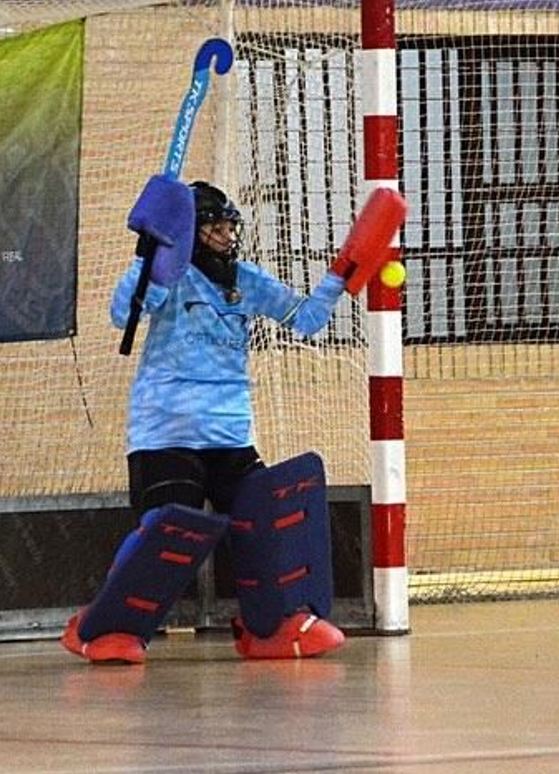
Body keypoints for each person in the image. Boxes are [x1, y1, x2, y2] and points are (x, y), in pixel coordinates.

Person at [63, 178, 350, 665]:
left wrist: (343, 273)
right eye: (215, 227)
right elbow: (122, 313)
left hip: (230, 433)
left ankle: (268, 624)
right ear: (192, 232)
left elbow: (306, 319)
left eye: (227, 227)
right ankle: (104, 626)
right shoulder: (168, 276)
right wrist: (152, 262)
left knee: (264, 523)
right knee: (162, 533)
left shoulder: (247, 280)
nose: (225, 236)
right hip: (166, 430)